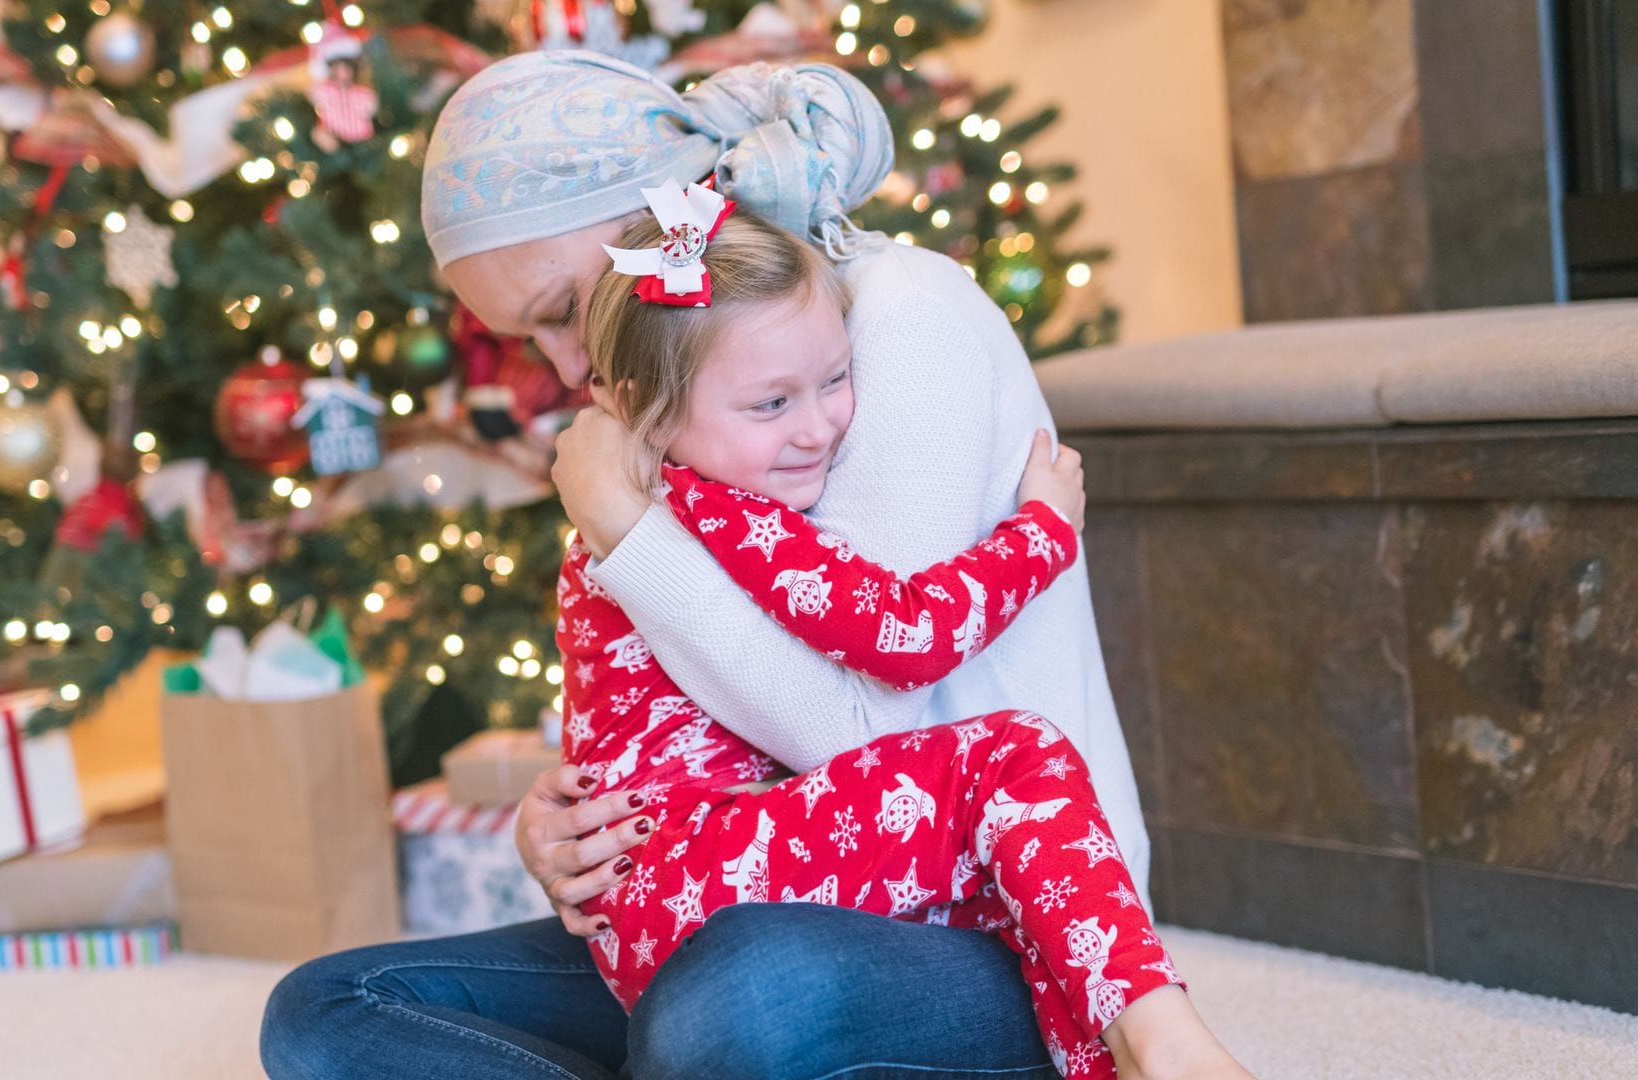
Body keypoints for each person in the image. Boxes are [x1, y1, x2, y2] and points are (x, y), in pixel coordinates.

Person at [262, 50, 1145, 1079]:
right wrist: (575, 826)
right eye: (525, 339)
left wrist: (622, 529)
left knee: (735, 1000)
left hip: (1004, 910)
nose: (563, 371)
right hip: (755, 881)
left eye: (557, 309)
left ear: (669, 211)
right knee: (328, 1011)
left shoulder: (897, 317)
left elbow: (860, 732)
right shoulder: (673, 400)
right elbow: (668, 692)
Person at [550, 202, 1246, 1079]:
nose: (819, 426)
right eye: (770, 402)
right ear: (646, 416)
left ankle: (1127, 1055)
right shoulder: (713, 509)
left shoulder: (678, 499)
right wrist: (1040, 532)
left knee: (1016, 894)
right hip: (694, 881)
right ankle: (1168, 1048)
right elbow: (907, 632)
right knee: (1011, 760)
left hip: (660, 894)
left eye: (834, 379)